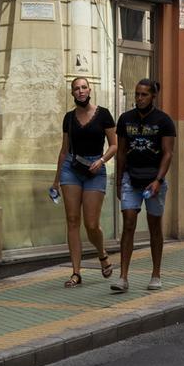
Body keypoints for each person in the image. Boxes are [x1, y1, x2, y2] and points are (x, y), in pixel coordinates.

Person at [50, 77, 116, 287]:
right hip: (72, 168)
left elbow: (114, 145)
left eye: (84, 87)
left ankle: (102, 253)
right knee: (72, 220)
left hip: (95, 169)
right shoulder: (69, 118)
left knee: (91, 224)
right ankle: (76, 273)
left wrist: (102, 160)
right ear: (72, 93)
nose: (80, 91)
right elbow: (64, 150)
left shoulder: (103, 114)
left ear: (90, 90)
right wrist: (56, 180)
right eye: (76, 88)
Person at [112, 79, 175, 293]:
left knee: (154, 226)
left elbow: (168, 153)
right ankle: (123, 277)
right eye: (137, 94)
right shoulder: (125, 119)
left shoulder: (164, 121)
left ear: (153, 96)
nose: (139, 98)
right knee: (128, 222)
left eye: (144, 95)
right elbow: (121, 152)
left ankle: (156, 274)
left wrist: (158, 180)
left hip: (153, 180)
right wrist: (119, 180)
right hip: (131, 178)